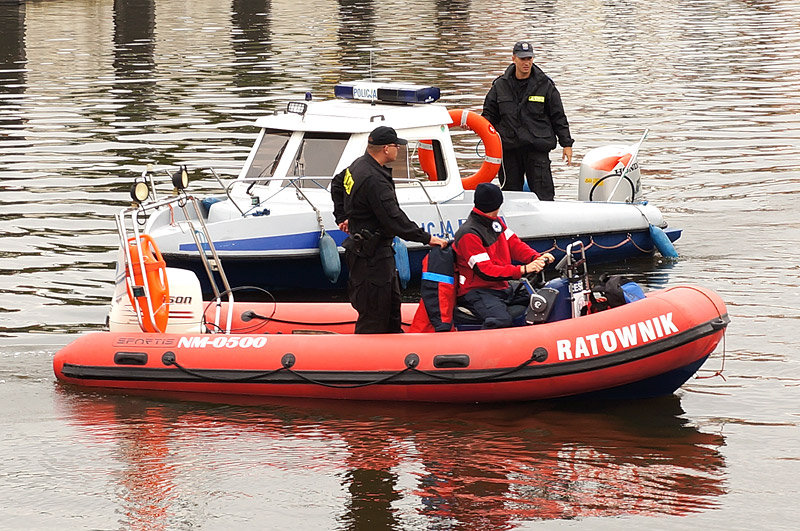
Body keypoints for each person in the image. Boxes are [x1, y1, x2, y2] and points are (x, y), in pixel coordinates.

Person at [331, 125, 447, 334]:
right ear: (386, 148)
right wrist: (428, 238)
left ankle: (396, 352)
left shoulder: (359, 165)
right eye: (396, 146)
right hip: (372, 258)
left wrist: (342, 216)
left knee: (391, 307)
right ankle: (367, 361)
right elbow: (395, 220)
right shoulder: (374, 179)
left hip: (373, 253)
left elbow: (337, 183)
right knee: (374, 313)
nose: (399, 150)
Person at [452, 183, 554, 329]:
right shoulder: (469, 234)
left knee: (543, 298)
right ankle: (485, 348)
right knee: (500, 321)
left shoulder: (496, 223)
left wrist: (535, 257)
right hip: (477, 291)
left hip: (501, 287)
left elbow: (514, 245)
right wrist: (522, 270)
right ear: (498, 203)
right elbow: (485, 271)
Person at [482, 41, 574, 200]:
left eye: (529, 58)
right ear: (514, 59)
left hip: (536, 148)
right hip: (509, 149)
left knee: (544, 195)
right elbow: (488, 115)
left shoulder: (545, 84)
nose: (527, 62)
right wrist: (474, 126)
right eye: (523, 58)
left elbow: (558, 116)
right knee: (510, 196)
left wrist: (566, 143)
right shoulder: (500, 85)